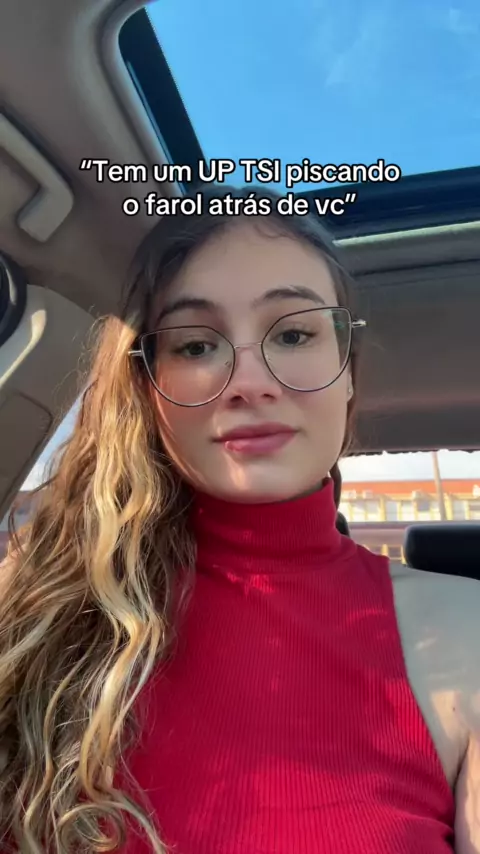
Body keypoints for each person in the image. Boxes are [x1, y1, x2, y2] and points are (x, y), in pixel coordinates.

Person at [0, 185, 479, 854]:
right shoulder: (33, 605)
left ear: (347, 372)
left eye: (294, 333)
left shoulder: (467, 629)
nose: (249, 381)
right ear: (147, 390)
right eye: (196, 346)